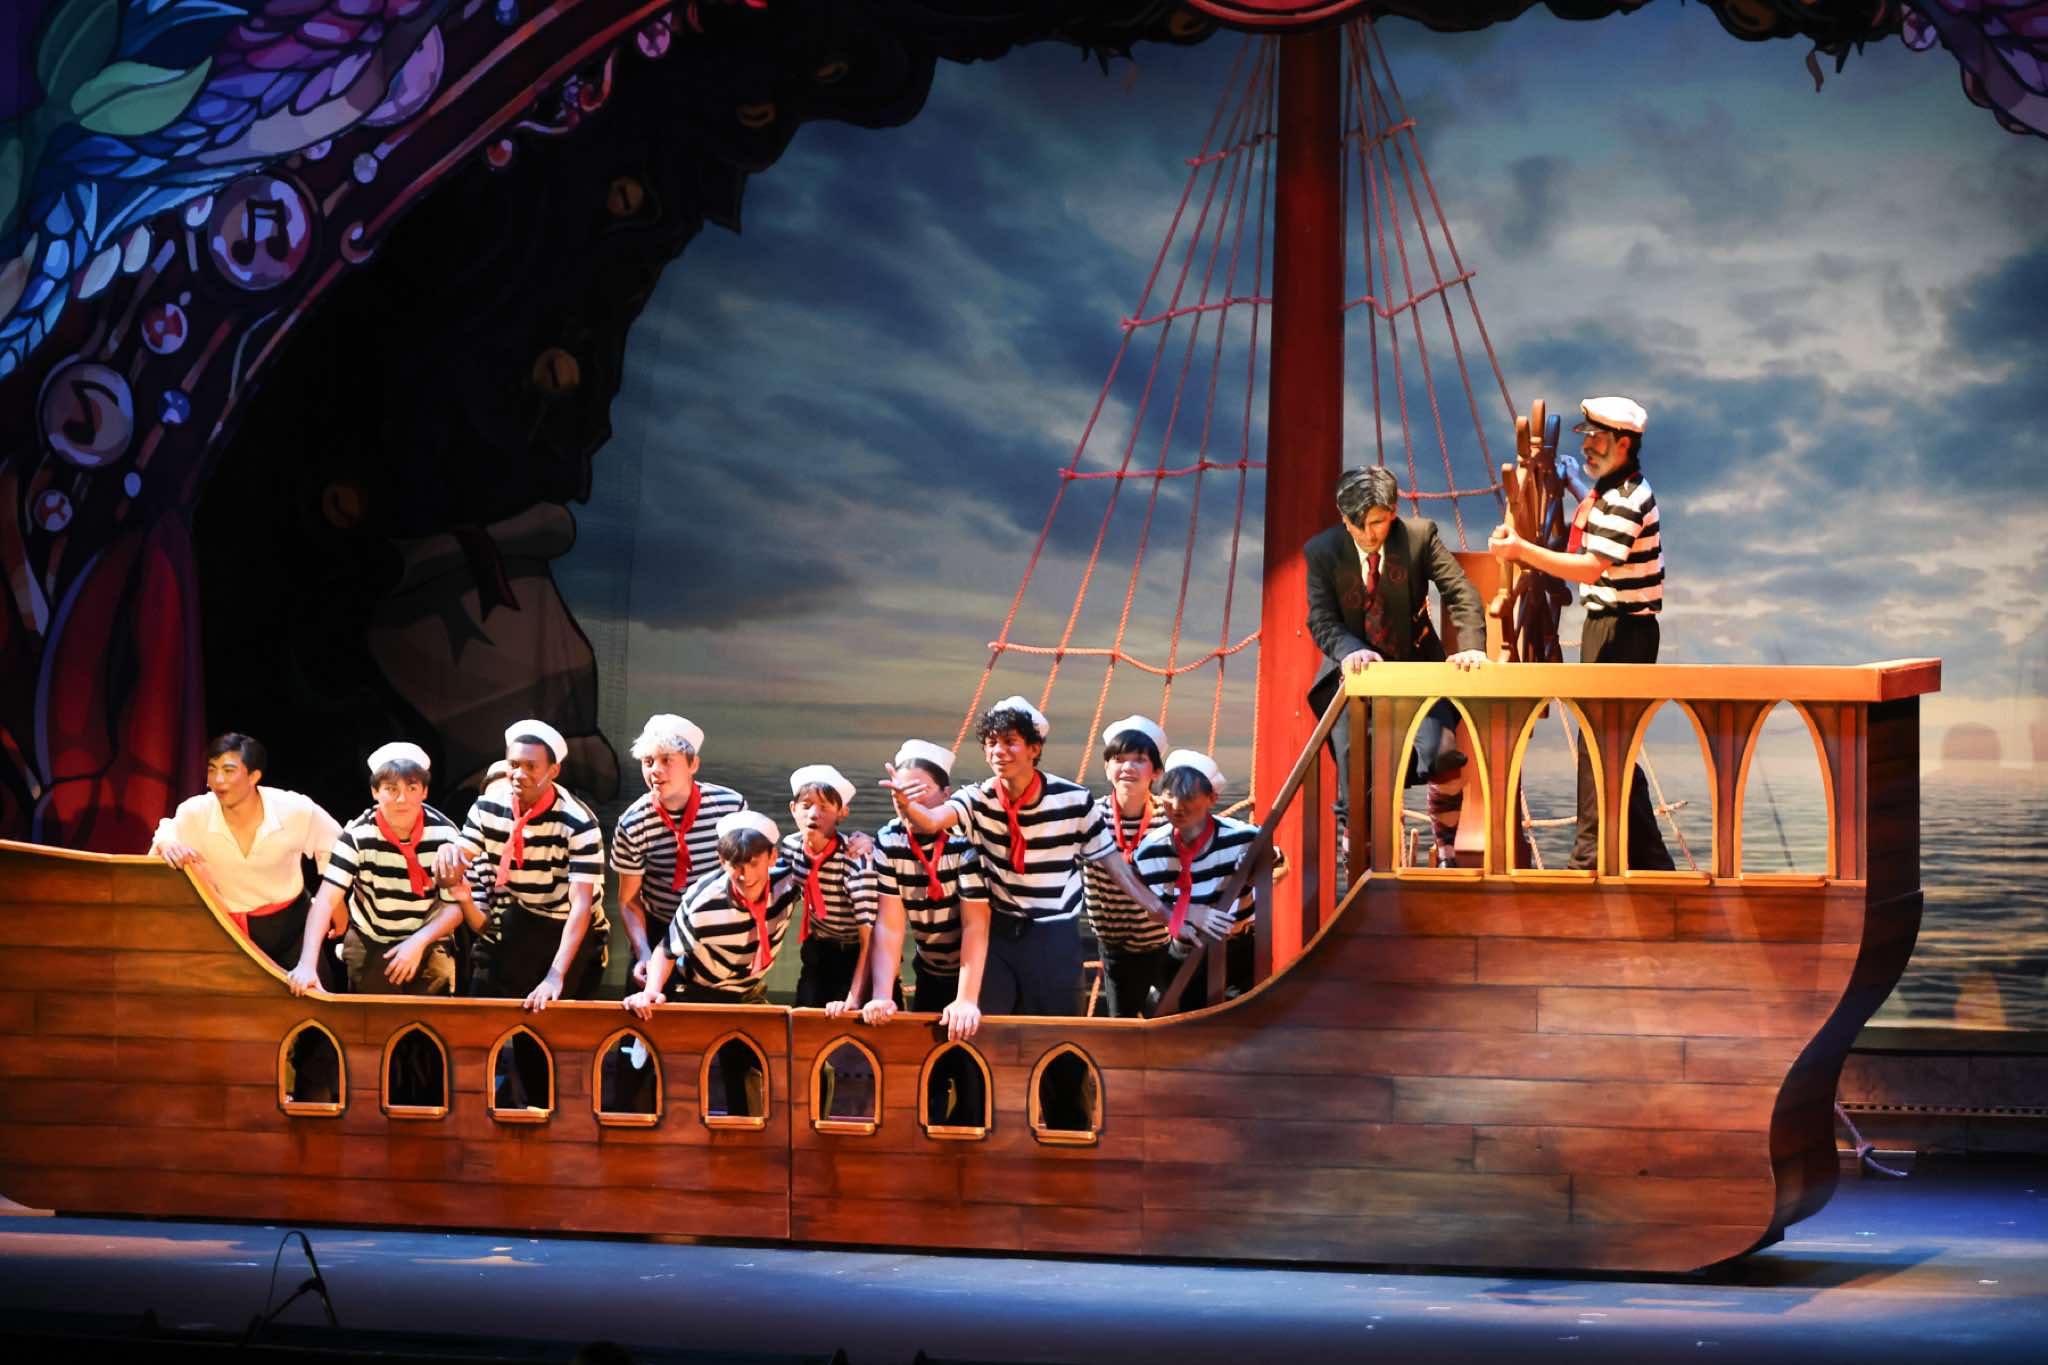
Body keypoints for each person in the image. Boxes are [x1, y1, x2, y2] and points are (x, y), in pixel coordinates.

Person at [884, 696, 1221, 1038]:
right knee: (989, 1035)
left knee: (1058, 1037)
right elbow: (932, 821)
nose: (999, 751)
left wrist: (1169, 915)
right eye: (991, 743)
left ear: (1034, 748)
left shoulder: (1073, 800)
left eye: (1010, 742)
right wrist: (906, 806)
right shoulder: (976, 799)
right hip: (1000, 933)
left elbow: (1119, 871)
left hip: (1054, 935)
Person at [1489, 395, 1674, 872]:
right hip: (1611, 629)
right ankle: (1652, 863)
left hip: (1623, 634)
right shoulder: (1612, 492)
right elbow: (1596, 514)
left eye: (1597, 438)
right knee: (1613, 747)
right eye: (1586, 436)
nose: (1587, 446)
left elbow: (1591, 567)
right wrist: (1573, 482)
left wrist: (1521, 551)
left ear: (1624, 444)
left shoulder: (1630, 499)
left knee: (1599, 749)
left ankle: (1587, 860)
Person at [1304, 466, 1488, 805]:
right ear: (1343, 517)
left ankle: (1445, 836)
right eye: (1356, 523)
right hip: (1352, 676)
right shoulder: (1322, 551)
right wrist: (1351, 651)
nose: (1367, 534)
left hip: (1415, 667)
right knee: (1356, 786)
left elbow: (1461, 592)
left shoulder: (1419, 536)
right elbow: (1321, 619)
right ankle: (1362, 838)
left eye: (1376, 522)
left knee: (1442, 755)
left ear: (1392, 512)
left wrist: (1472, 648)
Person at [438, 719, 610, 1009]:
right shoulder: (487, 808)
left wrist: (555, 975)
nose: (519, 774)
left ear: (553, 771)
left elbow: (580, 905)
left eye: (531, 766)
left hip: (571, 924)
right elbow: (454, 871)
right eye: (514, 764)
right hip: (525, 916)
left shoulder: (578, 822)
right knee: (498, 1007)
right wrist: (447, 858)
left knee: (554, 1016)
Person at [285, 742, 475, 997]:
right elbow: (326, 900)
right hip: (371, 937)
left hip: (428, 936)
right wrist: (307, 964)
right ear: (375, 792)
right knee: (372, 1016)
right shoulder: (358, 835)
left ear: (424, 791)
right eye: (391, 789)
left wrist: (418, 942)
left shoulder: (446, 834)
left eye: (411, 788)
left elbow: (455, 906)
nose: (401, 799)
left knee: (430, 1014)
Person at [149, 732, 341, 972]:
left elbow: (338, 849)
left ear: (253, 776)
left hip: (290, 927)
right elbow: (167, 831)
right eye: (212, 770)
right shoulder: (196, 812)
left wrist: (334, 905)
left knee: (312, 991)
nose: (218, 779)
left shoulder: (292, 809)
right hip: (226, 931)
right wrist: (167, 843)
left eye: (229, 771)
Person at [609, 714, 747, 989]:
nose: (655, 770)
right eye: (648, 761)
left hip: (715, 926)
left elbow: (747, 875)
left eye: (666, 760)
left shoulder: (729, 807)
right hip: (659, 928)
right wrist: (644, 953)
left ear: (693, 764)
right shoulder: (633, 822)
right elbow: (628, 901)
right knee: (643, 1007)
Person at [859, 740, 982, 1027]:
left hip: (977, 972)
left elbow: (975, 925)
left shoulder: (965, 841)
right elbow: (890, 926)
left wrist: (966, 999)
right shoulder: (889, 840)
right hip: (928, 967)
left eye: (918, 792)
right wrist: (881, 996)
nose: (908, 802)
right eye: (900, 793)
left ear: (947, 795)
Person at [624, 810, 800, 1009]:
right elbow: (666, 951)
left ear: (772, 857)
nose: (746, 875)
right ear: (722, 861)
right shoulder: (702, 902)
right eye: (737, 865)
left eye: (753, 863)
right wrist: (651, 991)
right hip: (698, 993)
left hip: (749, 992)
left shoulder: (787, 884)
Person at [1131, 750, 1261, 1014]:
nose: (1177, 805)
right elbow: (1153, 909)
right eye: (1169, 795)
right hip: (1186, 952)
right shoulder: (1149, 850)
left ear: (1212, 798)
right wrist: (1190, 913)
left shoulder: (1245, 838)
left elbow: (1280, 866)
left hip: (1239, 950)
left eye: (1188, 796)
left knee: (1245, 1020)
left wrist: (1259, 866)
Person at [1080, 715, 1175, 1017]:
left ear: (1157, 771)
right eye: (1119, 759)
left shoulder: (1169, 817)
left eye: (1139, 760)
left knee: (1170, 1017)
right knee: (1121, 1021)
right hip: (1114, 945)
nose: (1128, 767)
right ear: (1107, 768)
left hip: (1162, 940)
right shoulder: (1089, 815)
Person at [781, 764, 878, 1011]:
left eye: (824, 807)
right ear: (793, 809)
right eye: (806, 805)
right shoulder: (791, 848)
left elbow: (870, 940)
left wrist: (854, 999)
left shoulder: (855, 862)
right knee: (805, 1016)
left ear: (842, 813)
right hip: (819, 948)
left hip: (858, 951)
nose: (814, 814)